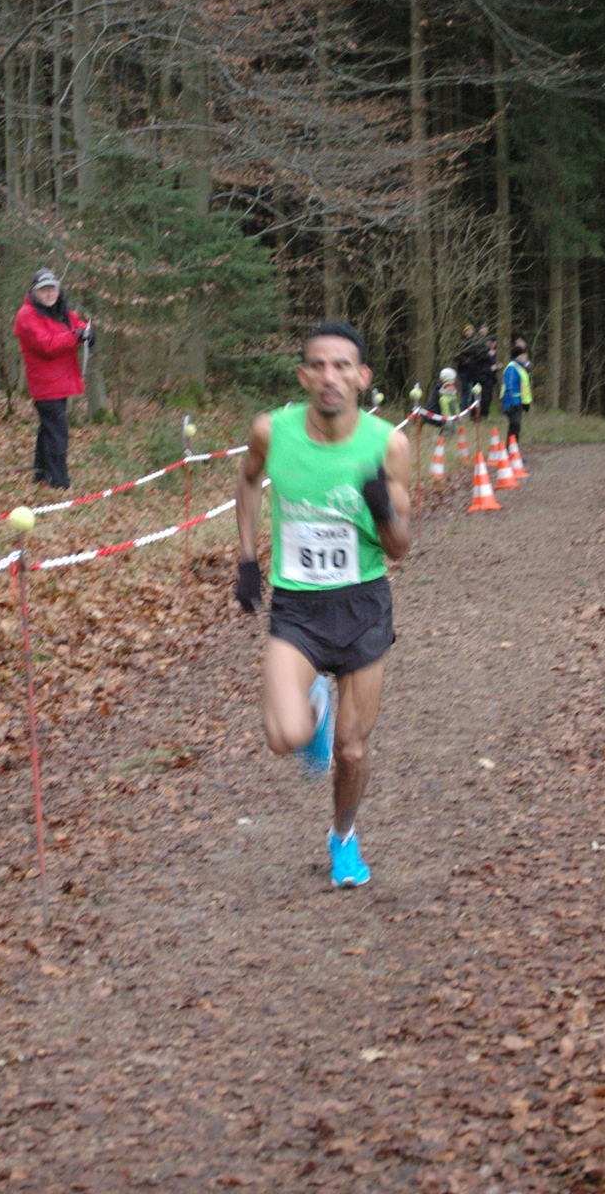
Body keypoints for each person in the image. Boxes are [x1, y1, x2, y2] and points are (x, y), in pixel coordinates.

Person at [235, 321, 412, 888]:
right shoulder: (272, 431)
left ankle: (344, 838)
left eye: (342, 366)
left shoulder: (388, 444)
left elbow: (401, 548)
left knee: (352, 751)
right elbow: (247, 481)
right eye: (318, 365)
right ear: (303, 375)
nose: (329, 376)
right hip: (298, 607)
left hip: (363, 604)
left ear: (362, 377)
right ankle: (313, 704)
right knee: (282, 736)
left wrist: (382, 508)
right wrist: (246, 559)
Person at [13, 268, 94, 489]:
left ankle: (41, 475)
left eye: (53, 289)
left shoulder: (61, 310)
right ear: (34, 291)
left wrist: (87, 332)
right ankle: (58, 482)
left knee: (48, 429)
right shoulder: (26, 316)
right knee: (57, 433)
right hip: (45, 385)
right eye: (44, 290)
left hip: (62, 381)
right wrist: (75, 336)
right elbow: (46, 344)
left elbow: (77, 324)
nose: (49, 294)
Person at [501, 340, 532, 447]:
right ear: (519, 355)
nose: (525, 357)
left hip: (518, 402)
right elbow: (509, 386)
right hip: (512, 402)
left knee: (515, 427)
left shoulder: (519, 367)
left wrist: (525, 403)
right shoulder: (512, 367)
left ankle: (513, 449)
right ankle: (511, 449)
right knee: (514, 426)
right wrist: (513, 403)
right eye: (523, 355)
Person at [426, 367, 458, 431]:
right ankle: (443, 436)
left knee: (451, 428)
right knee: (451, 428)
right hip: (433, 415)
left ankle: (443, 435)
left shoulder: (440, 386)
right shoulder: (443, 389)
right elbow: (446, 405)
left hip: (433, 413)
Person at [474, 334, 499, 418]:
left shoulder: (493, 352)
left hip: (491, 378)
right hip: (482, 378)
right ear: (488, 342)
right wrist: (489, 368)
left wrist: (497, 367)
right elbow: (480, 364)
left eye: (494, 342)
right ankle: (478, 415)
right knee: (482, 397)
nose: (492, 344)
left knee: (488, 397)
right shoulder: (482, 350)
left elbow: (492, 364)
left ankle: (485, 414)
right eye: (491, 342)